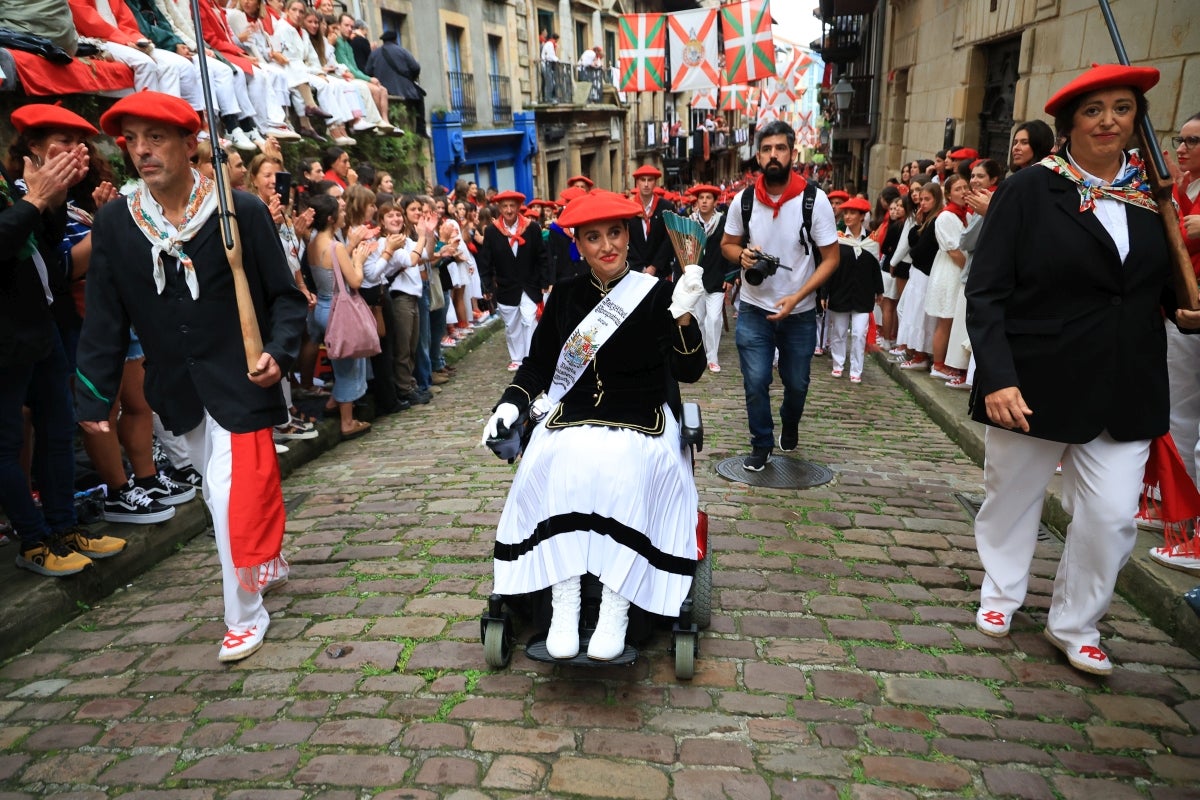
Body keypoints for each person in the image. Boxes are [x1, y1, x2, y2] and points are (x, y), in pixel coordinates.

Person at [965, 64, 1200, 675]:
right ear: (1068, 124)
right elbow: (986, 291)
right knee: (1011, 496)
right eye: (1094, 110)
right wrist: (997, 376)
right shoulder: (1027, 190)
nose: (1108, 121)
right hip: (1036, 377)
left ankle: (1076, 621)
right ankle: (1002, 592)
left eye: (1122, 109)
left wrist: (1185, 306)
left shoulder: (1151, 196)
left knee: (1113, 516)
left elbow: (1153, 291)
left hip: (1126, 381)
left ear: (1136, 121)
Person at [75, 91, 307, 661]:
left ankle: (245, 615)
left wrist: (278, 350)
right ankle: (260, 562)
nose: (143, 151)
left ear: (189, 143)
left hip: (242, 380)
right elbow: (105, 319)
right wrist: (91, 398)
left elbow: (285, 298)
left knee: (231, 495)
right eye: (132, 140)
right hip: (177, 390)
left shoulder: (240, 211)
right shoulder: (115, 224)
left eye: (156, 138)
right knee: (216, 492)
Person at [481, 190, 707, 661]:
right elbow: (537, 366)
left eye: (615, 233)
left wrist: (684, 315)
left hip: (640, 421)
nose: (607, 245)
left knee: (624, 471)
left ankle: (616, 607)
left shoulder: (657, 295)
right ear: (578, 245)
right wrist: (509, 405)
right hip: (573, 418)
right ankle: (562, 604)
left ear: (628, 236)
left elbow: (689, 372)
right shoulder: (564, 296)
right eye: (593, 237)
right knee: (553, 463)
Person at [2, 104, 123, 577]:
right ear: (32, 146)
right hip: (7, 334)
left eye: (80, 144)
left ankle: (63, 525)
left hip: (40, 326)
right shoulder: (18, 186)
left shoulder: (29, 183)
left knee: (58, 430)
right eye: (63, 142)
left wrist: (51, 201)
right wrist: (36, 200)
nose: (77, 152)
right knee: (10, 441)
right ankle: (33, 540)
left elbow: (45, 246)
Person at [720, 120, 839, 470]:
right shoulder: (743, 201)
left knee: (797, 384)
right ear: (758, 155)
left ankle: (790, 420)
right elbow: (727, 245)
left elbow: (831, 259)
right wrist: (740, 255)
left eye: (781, 148)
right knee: (755, 381)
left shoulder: (814, 201)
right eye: (767, 149)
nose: (774, 155)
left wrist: (799, 295)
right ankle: (761, 442)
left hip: (799, 312)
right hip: (754, 307)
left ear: (793, 153)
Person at [477, 189, 550, 371]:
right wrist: (487, 286)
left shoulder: (532, 227)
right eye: (504, 206)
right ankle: (517, 358)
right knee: (512, 325)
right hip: (506, 287)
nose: (509, 210)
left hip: (530, 285)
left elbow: (542, 256)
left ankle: (531, 358)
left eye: (512, 206)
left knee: (530, 319)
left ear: (518, 207)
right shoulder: (492, 232)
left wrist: (545, 281)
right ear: (499, 208)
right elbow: (486, 262)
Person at [822, 197, 882, 384]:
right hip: (840, 292)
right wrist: (825, 293)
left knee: (858, 333)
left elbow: (875, 269)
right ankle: (838, 364)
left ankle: (856, 369)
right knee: (839, 332)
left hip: (863, 295)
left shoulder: (871, 241)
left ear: (862, 216)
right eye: (845, 212)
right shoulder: (837, 239)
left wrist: (879, 290)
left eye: (852, 213)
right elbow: (829, 268)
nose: (847, 216)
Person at [688, 184, 734, 373]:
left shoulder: (723, 223)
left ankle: (712, 358)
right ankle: (700, 354)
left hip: (717, 278)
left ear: (715, 202)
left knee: (713, 319)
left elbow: (731, 247)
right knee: (698, 320)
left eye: (708, 198)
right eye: (701, 198)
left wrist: (731, 276)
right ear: (697, 202)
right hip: (696, 279)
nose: (704, 201)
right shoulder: (689, 222)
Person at [366, 30, 426, 138]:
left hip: (382, 88)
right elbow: (416, 67)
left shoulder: (374, 54)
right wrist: (410, 77)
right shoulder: (402, 51)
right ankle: (421, 130)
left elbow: (368, 71)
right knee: (420, 97)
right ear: (395, 39)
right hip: (405, 89)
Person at [628, 165, 675, 277]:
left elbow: (669, 239)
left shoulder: (667, 207)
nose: (646, 184)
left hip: (660, 270)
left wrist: (654, 266)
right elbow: (626, 240)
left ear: (655, 182)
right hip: (634, 270)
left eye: (650, 180)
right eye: (642, 180)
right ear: (637, 183)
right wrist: (640, 267)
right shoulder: (629, 207)